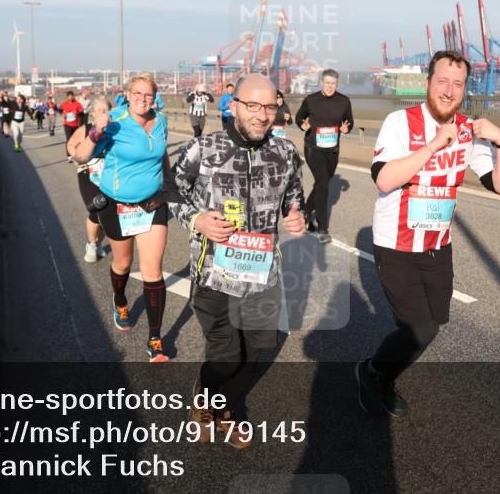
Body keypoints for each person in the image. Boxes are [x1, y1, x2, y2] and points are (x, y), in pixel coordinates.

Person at [357, 51, 500, 417]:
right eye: (442, 81)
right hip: (396, 243)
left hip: (438, 246)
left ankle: (384, 367)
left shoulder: (466, 131)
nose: (448, 90)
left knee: (434, 323)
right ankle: (373, 372)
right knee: (421, 329)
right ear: (428, 83)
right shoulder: (400, 121)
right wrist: (431, 147)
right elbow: (383, 179)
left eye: (457, 84)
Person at [167, 73, 305, 448]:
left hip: (262, 276)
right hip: (213, 273)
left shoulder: (286, 152)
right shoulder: (203, 149)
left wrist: (297, 214)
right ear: (234, 106)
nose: (263, 115)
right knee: (226, 356)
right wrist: (196, 219)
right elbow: (171, 192)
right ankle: (206, 399)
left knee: (256, 350)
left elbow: (295, 195)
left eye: (271, 107)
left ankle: (223, 408)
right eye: (254, 106)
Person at [73, 74, 171, 362]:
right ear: (127, 94)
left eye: (148, 95)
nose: (143, 99)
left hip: (152, 203)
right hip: (118, 206)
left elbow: (162, 157)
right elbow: (80, 157)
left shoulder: (160, 121)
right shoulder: (113, 121)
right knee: (123, 262)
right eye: (137, 93)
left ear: (155, 98)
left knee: (153, 270)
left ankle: (155, 341)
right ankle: (120, 300)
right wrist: (95, 134)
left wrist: (171, 183)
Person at [294, 69, 354, 244]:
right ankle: (322, 228)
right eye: (327, 83)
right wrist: (302, 125)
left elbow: (349, 121)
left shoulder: (344, 101)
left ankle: (304, 211)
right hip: (313, 148)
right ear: (321, 83)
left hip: (332, 150)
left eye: (333, 84)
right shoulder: (311, 100)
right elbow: (299, 117)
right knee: (322, 183)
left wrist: (346, 129)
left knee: (322, 184)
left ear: (337, 84)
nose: (330, 87)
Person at [67, 96, 112, 264]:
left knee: (107, 212)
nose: (104, 114)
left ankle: (98, 243)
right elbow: (71, 144)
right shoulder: (85, 129)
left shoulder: (115, 130)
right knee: (96, 205)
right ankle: (92, 245)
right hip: (88, 172)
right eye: (100, 111)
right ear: (93, 114)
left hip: (108, 173)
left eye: (107, 110)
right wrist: (76, 158)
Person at [60, 91, 83, 162]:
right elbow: (59, 110)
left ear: (73, 96)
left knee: (76, 140)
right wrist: (62, 114)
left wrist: (77, 113)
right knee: (69, 140)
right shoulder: (64, 104)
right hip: (67, 124)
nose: (70, 97)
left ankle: (75, 154)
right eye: (69, 96)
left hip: (75, 125)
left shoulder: (77, 104)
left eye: (71, 96)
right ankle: (69, 156)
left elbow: (82, 113)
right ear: (67, 97)